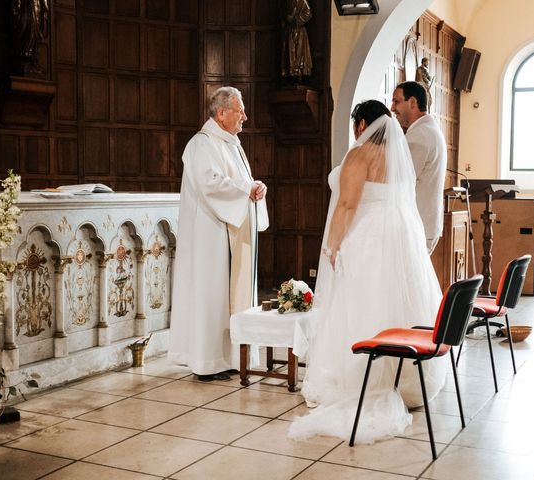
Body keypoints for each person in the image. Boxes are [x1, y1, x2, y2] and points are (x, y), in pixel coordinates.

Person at [289, 100, 446, 443]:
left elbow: (346, 205)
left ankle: (365, 378)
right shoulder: (397, 156)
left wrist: (331, 245)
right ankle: (405, 380)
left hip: (368, 237)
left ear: (361, 125)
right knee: (395, 302)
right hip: (399, 238)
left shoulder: (359, 156)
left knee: (361, 304)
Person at [168, 87, 269, 382]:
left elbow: (239, 182)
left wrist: (254, 187)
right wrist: (244, 190)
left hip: (229, 229)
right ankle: (206, 362)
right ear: (222, 113)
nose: (245, 117)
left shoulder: (230, 143)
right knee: (211, 296)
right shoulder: (202, 144)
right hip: (209, 234)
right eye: (240, 111)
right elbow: (210, 183)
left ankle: (228, 357)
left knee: (227, 295)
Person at [391, 81, 447, 254]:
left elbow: (401, 182)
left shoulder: (419, 136)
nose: (392, 108)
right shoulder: (429, 129)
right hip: (426, 222)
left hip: (417, 225)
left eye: (396, 101)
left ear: (413, 102)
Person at [281, 0, 313, 81]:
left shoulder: (303, 1)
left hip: (299, 30)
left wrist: (296, 19)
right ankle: (291, 73)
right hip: (290, 30)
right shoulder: (287, 2)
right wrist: (287, 18)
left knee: (300, 52)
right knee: (290, 52)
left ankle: (299, 73)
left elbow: (308, 13)